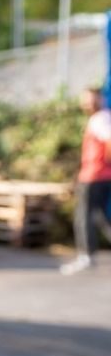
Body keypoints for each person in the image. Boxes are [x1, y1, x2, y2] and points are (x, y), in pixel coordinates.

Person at [60, 86, 111, 275]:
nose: (87, 103)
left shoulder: (99, 119)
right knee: (101, 216)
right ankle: (86, 255)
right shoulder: (104, 117)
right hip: (100, 175)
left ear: (99, 100)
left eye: (91, 99)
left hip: (95, 175)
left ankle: (86, 256)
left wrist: (105, 163)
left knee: (83, 215)